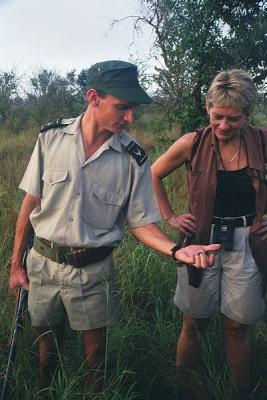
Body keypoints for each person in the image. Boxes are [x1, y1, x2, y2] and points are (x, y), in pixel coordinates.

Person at [9, 60, 219, 393]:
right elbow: (30, 203)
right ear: (93, 97)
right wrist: (16, 265)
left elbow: (143, 224)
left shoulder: (133, 158)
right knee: (46, 352)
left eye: (133, 109)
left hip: (93, 273)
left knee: (97, 363)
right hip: (42, 266)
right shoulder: (50, 137)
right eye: (122, 107)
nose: (130, 117)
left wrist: (178, 250)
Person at [152, 69, 267, 400]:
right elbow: (154, 173)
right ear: (207, 108)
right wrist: (171, 216)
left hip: (248, 242)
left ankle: (241, 391)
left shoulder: (261, 141)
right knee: (194, 322)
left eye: (234, 119)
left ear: (247, 114)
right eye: (218, 116)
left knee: (238, 326)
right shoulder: (193, 142)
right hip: (202, 242)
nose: (224, 126)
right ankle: (182, 387)